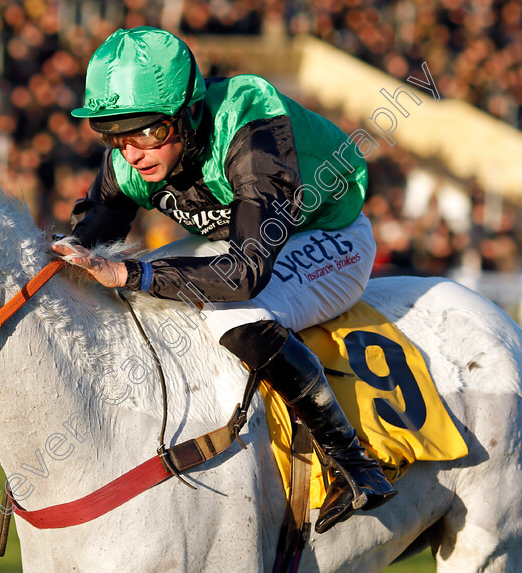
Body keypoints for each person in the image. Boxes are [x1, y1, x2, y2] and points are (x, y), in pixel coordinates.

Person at [51, 26, 396, 533]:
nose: (133, 152)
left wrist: (130, 270)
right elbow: (89, 246)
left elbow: (245, 272)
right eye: (116, 135)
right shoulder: (129, 159)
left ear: (189, 114)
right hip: (246, 240)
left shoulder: (249, 122)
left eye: (149, 131)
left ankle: (355, 463)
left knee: (234, 312)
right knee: (138, 292)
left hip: (331, 236)